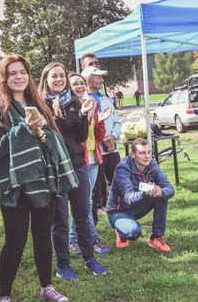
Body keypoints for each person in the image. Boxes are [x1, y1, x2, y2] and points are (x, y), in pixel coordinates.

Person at [0, 54, 74, 302]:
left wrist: (42, 134)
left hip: (43, 182)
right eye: (12, 73)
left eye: (22, 72)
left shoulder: (38, 103)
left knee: (43, 236)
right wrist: (22, 128)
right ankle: (4, 295)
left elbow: (54, 139)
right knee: (15, 241)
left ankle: (46, 287)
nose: (18, 76)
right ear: (4, 77)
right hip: (15, 185)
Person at [38, 62, 107, 280]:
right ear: (46, 80)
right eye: (54, 76)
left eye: (61, 76)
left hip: (78, 166)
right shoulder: (41, 106)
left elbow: (79, 137)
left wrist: (85, 116)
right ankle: (63, 266)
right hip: (56, 170)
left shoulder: (75, 102)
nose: (59, 79)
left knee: (83, 216)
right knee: (60, 221)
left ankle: (89, 259)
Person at [68, 66, 117, 255]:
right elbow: (74, 135)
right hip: (79, 159)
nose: (79, 87)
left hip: (93, 157)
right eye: (75, 84)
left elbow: (96, 135)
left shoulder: (93, 103)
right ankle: (86, 239)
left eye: (81, 83)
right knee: (84, 202)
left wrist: (101, 121)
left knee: (86, 201)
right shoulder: (69, 107)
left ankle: (77, 239)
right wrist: (84, 116)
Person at [106, 138, 175, 252]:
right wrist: (146, 193)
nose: (147, 156)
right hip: (119, 210)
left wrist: (160, 192)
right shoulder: (122, 168)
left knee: (162, 195)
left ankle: (156, 238)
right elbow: (128, 198)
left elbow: (170, 189)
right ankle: (121, 231)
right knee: (133, 233)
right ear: (133, 154)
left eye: (149, 152)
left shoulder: (152, 164)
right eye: (142, 153)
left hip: (139, 206)